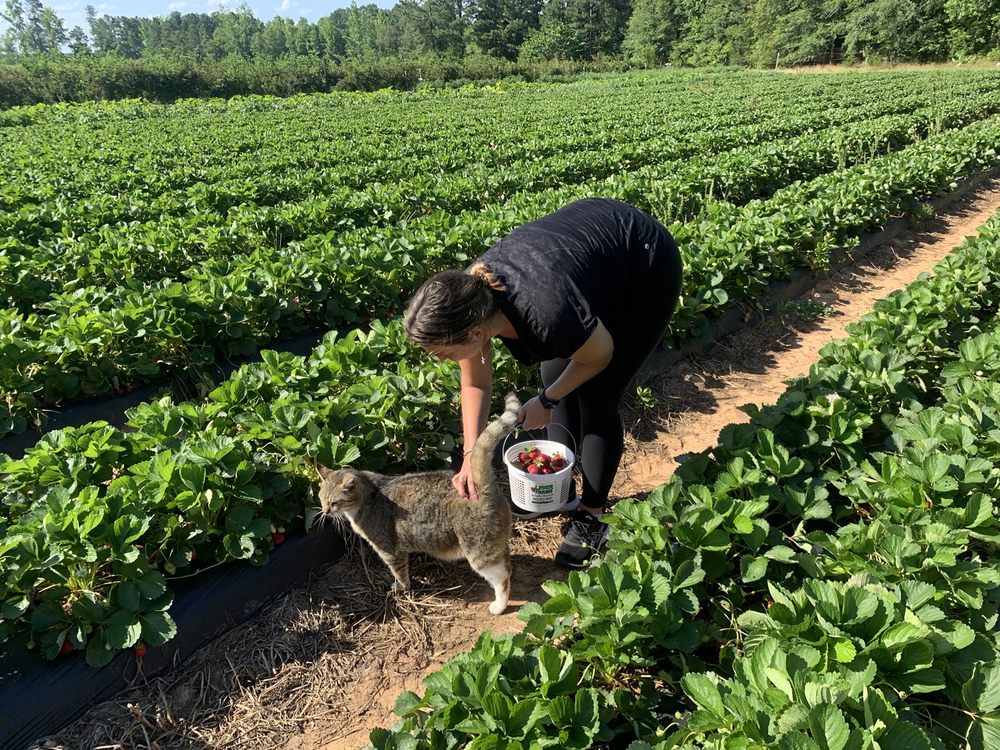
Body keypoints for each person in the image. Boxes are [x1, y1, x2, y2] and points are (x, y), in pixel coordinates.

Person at [403, 197, 683, 568]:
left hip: (643, 266)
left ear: (476, 334)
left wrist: (547, 401)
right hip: (584, 261)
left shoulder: (547, 316)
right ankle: (559, 490)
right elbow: (475, 385)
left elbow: (599, 356)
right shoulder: (469, 299)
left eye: (442, 352)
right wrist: (471, 456)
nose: (438, 360)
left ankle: (592, 515)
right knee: (554, 374)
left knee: (597, 395)